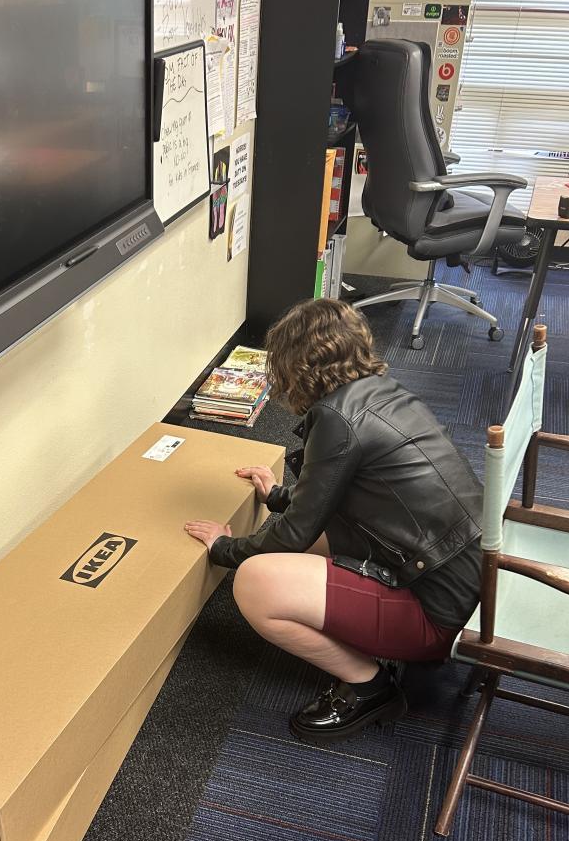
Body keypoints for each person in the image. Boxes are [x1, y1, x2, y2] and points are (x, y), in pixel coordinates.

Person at [184, 298, 483, 743]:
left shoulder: (336, 418)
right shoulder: (380, 390)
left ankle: (369, 687)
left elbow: (294, 535)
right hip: (468, 582)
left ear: (294, 367)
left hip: (437, 615)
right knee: (305, 542)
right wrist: (279, 496)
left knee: (254, 581)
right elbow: (345, 498)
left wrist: (223, 548)